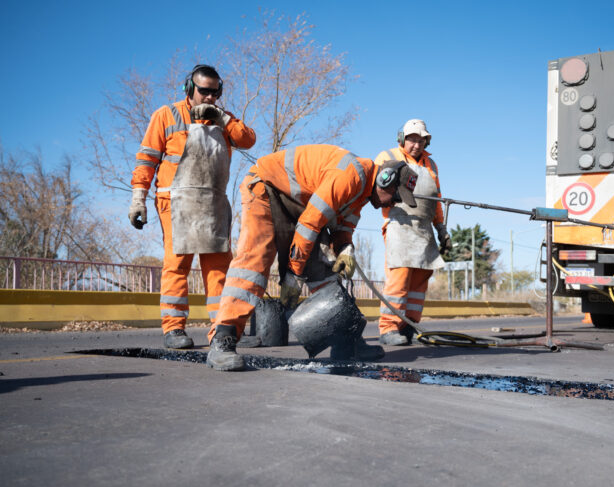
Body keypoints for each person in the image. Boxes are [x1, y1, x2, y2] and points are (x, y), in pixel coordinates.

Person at [206, 144, 419, 371]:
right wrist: (294, 276)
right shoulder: (350, 176)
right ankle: (222, 340)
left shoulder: (363, 192)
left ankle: (348, 342)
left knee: (325, 270)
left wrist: (345, 248)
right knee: (255, 261)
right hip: (265, 187)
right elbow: (309, 226)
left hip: (296, 202)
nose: (393, 203)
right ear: (385, 180)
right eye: (395, 196)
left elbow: (343, 226)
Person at [128, 64, 256, 349]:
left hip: (212, 203)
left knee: (219, 268)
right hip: (174, 201)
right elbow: (146, 159)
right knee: (177, 264)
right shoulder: (167, 115)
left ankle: (222, 330)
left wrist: (222, 118)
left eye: (215, 92)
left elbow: (248, 140)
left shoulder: (222, 119)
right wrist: (138, 198)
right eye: (204, 91)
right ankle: (173, 328)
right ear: (190, 89)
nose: (210, 97)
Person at [374, 119, 452, 346]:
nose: (417, 145)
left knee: (420, 279)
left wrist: (442, 229)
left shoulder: (432, 165)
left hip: (424, 228)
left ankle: (409, 326)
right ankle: (388, 328)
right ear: (402, 139)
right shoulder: (387, 156)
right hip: (399, 224)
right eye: (412, 140)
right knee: (399, 277)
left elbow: (436, 201)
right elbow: (376, 191)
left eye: (421, 140)